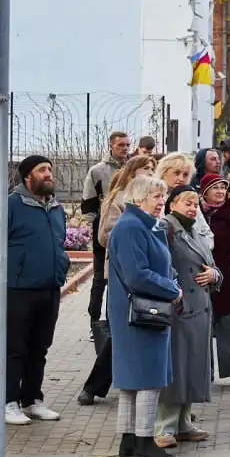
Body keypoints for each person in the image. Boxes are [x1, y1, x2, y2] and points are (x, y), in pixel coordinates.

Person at [0, 155, 70, 426]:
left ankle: (32, 400)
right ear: (28, 175)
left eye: (50, 169)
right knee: (14, 349)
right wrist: (7, 278)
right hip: (18, 290)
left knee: (39, 347)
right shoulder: (10, 206)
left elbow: (58, 243)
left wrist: (60, 267)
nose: (49, 174)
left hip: (49, 288)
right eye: (43, 170)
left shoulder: (55, 208)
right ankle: (8, 402)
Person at [106, 176, 180, 457]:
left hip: (132, 311)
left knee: (131, 378)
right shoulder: (131, 227)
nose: (161, 201)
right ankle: (145, 442)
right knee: (148, 377)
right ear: (138, 199)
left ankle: (128, 438)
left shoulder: (139, 225)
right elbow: (137, 275)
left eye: (162, 196)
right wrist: (171, 288)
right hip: (140, 312)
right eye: (155, 196)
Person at [78, 154, 158, 406]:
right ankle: (93, 386)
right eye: (146, 169)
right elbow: (106, 236)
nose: (150, 173)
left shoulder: (156, 196)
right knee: (122, 330)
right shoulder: (118, 198)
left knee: (141, 326)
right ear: (133, 172)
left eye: (152, 168)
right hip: (123, 273)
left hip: (150, 269)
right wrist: (135, 238)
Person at [155, 186, 220, 448]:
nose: (192, 208)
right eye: (186, 203)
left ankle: (183, 422)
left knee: (192, 366)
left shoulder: (194, 230)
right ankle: (164, 427)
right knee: (176, 367)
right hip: (179, 309)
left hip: (200, 308)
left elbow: (212, 265)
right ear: (172, 205)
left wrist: (215, 276)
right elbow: (161, 266)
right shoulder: (165, 229)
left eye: (195, 203)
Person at [81, 131, 130, 323]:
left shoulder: (133, 168)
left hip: (127, 227)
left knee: (121, 277)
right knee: (101, 277)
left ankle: (116, 321)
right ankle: (94, 319)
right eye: (120, 145)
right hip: (104, 229)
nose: (125, 148)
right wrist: (94, 224)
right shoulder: (98, 171)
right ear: (111, 145)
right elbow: (88, 203)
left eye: (127, 145)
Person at [200, 173, 230, 381]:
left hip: (228, 273)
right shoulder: (197, 212)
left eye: (223, 187)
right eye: (215, 187)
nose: (220, 192)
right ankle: (203, 371)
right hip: (202, 274)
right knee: (203, 325)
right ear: (204, 192)